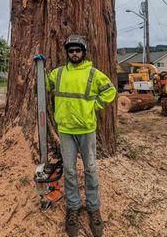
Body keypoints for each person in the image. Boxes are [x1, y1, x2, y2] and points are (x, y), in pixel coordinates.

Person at [48, 35, 116, 237]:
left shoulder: (93, 74)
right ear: (67, 53)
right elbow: (43, 86)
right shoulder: (58, 73)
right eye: (71, 51)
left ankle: (93, 207)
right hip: (66, 130)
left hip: (86, 129)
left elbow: (110, 90)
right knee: (69, 170)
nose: (74, 53)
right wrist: (38, 66)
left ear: (83, 52)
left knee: (91, 169)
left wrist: (95, 106)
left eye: (78, 50)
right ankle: (74, 207)